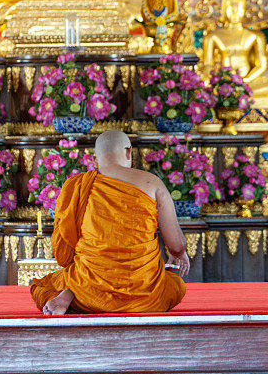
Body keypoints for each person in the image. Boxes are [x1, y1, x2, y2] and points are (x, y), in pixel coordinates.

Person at [30, 130, 188, 316]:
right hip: (142, 292)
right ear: (128, 152)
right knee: (176, 286)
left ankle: (74, 292)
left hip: (90, 285)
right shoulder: (151, 182)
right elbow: (175, 244)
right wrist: (179, 253)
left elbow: (64, 251)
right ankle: (79, 292)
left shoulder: (80, 185)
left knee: (44, 286)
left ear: (95, 161)